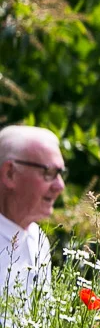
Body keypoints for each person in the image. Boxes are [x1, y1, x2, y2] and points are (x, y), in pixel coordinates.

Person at [0, 125, 64, 309]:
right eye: (48, 173)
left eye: (60, 173)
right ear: (10, 173)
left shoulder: (37, 239)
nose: (60, 186)